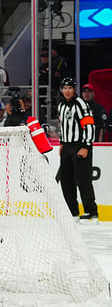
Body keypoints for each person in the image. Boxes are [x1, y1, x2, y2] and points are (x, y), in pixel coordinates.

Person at [57, 77, 98, 224]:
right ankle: (72, 212)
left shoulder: (81, 104)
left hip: (80, 145)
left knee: (83, 180)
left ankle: (91, 212)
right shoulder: (61, 104)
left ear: (74, 89)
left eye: (70, 88)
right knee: (66, 180)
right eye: (64, 88)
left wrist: (86, 146)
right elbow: (62, 125)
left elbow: (89, 125)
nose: (67, 91)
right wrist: (62, 143)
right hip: (67, 146)